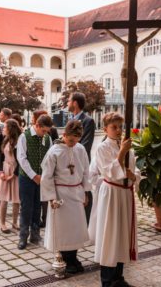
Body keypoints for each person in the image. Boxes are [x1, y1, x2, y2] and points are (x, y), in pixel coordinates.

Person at [88, 112, 141, 287]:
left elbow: (133, 169)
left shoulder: (126, 147)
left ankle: (119, 278)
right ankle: (107, 280)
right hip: (111, 194)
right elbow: (108, 171)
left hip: (124, 194)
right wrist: (122, 153)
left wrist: (134, 176)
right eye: (114, 127)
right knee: (110, 235)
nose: (118, 130)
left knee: (122, 235)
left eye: (120, 127)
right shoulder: (103, 148)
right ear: (105, 129)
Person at [41, 120, 90, 274]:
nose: (73, 144)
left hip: (76, 193)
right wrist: (51, 198)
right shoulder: (54, 151)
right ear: (64, 135)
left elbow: (86, 171)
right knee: (63, 230)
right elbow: (46, 177)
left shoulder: (80, 149)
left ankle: (73, 257)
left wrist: (86, 192)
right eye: (70, 140)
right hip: (60, 195)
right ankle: (66, 259)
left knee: (75, 228)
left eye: (76, 141)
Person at [16, 114, 53, 250]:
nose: (45, 134)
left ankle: (35, 234)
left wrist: (44, 175)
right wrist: (33, 175)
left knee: (38, 205)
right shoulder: (24, 137)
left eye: (47, 132)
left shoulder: (47, 138)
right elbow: (21, 158)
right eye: (43, 131)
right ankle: (23, 236)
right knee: (26, 207)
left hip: (41, 177)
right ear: (37, 126)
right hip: (26, 177)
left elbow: (49, 157)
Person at [68, 92, 96, 225]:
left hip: (82, 161)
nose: (67, 103)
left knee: (86, 189)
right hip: (69, 163)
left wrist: (71, 150)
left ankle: (87, 222)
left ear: (75, 103)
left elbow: (86, 144)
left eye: (69, 101)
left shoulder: (88, 121)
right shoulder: (71, 120)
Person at [0, 119, 22, 233]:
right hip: (5, 169)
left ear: (10, 129)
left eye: (5, 127)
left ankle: (15, 222)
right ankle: (2, 223)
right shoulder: (5, 140)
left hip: (15, 171)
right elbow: (0, 157)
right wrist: (1, 172)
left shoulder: (18, 142)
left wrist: (13, 175)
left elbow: (21, 161)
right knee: (4, 198)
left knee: (17, 200)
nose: (3, 129)